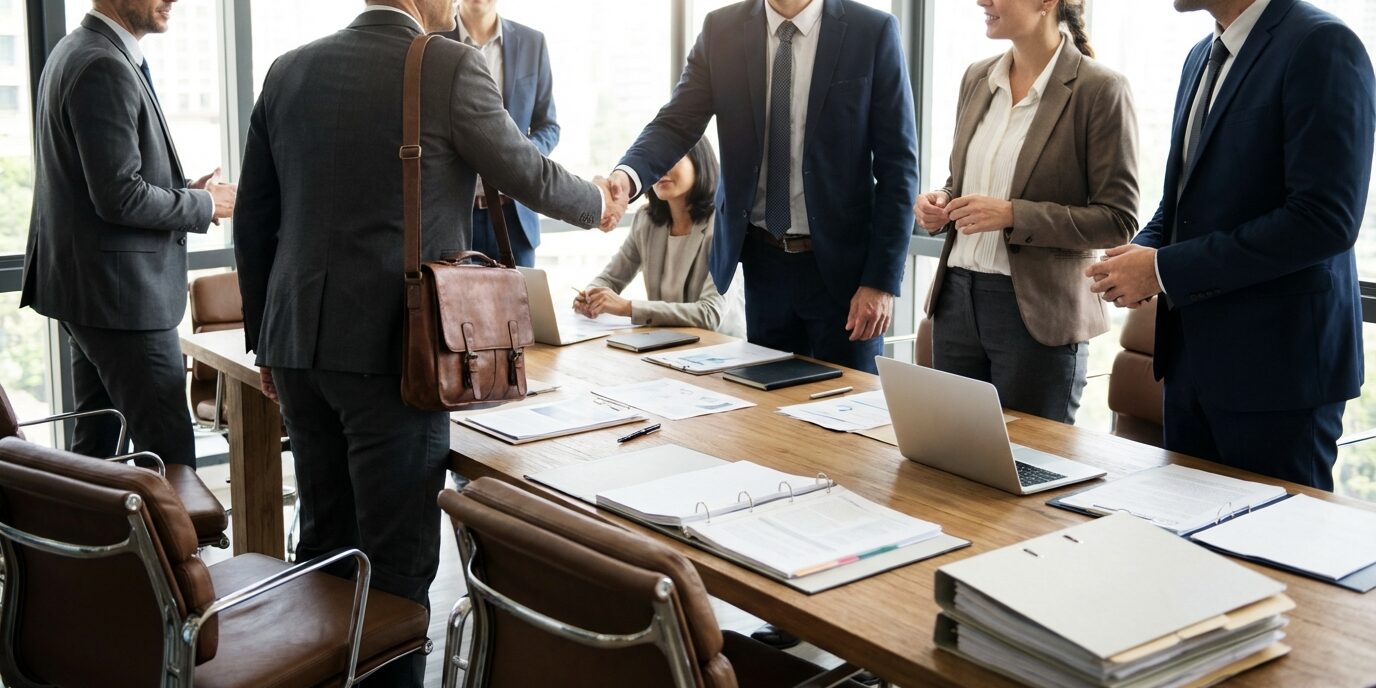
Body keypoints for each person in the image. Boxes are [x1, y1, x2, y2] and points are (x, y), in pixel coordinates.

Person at [232, 1, 622, 684]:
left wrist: (267, 341)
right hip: (397, 354)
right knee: (397, 567)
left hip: (297, 346)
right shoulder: (445, 65)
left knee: (325, 547)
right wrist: (599, 205)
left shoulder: (288, 70)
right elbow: (525, 171)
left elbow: (255, 221)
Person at [1088, 0, 1375, 490]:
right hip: (1190, 367)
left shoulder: (1321, 44)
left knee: (1277, 560)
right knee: (1188, 557)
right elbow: (1182, 202)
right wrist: (1135, 257)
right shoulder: (1201, 54)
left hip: (1279, 377)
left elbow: (1323, 220)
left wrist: (1162, 270)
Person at [605, 0, 918, 375]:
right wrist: (626, 177)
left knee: (848, 419)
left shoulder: (872, 31)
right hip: (762, 263)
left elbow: (898, 169)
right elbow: (675, 123)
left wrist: (880, 282)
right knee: (770, 419)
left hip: (844, 273)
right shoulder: (722, 30)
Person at [20, 0, 236, 468]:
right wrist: (204, 204)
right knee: (171, 457)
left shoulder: (75, 51)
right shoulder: (103, 64)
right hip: (122, 300)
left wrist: (184, 191)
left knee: (96, 447)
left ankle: (91, 540)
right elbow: (119, 197)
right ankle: (182, 544)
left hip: (89, 293)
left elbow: (103, 181)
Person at [914, 0, 1138, 424]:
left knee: (1029, 472)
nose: (982, 1)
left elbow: (1118, 220)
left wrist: (1014, 215)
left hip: (1037, 316)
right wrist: (941, 201)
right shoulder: (977, 78)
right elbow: (961, 181)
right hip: (956, 302)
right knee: (952, 467)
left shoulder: (1100, 89)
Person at [574, 137, 745, 337]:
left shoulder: (723, 225)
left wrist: (627, 308)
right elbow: (611, 278)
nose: (661, 168)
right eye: (655, 162)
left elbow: (709, 314)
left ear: (700, 164)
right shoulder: (646, 221)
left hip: (720, 350)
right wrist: (590, 295)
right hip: (667, 346)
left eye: (672, 159)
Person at [438, 0, 558, 267]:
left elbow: (548, 126)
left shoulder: (532, 42)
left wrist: (520, 159)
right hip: (454, 217)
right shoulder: (432, 41)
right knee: (456, 308)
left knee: (519, 308)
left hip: (514, 215)